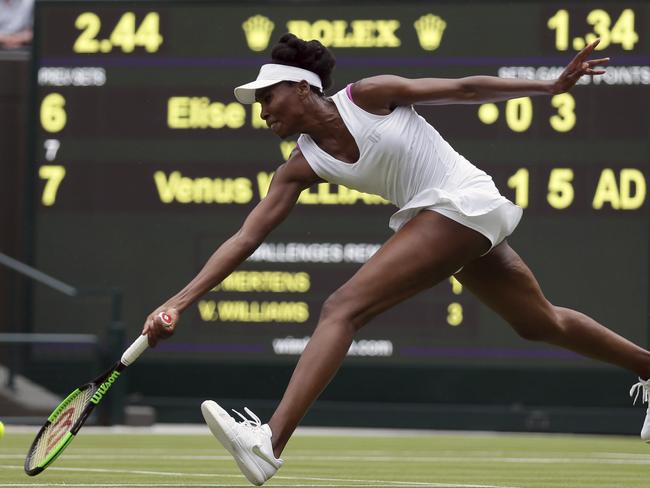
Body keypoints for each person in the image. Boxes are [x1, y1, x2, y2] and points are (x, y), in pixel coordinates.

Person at [142, 33, 650, 486]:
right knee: (540, 323)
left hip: (461, 202)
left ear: (301, 88)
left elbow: (465, 89)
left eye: (267, 98)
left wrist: (551, 88)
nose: (262, 111)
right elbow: (245, 238)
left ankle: (269, 442)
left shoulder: (368, 96)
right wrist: (180, 301)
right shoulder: (300, 165)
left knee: (342, 308)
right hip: (450, 221)